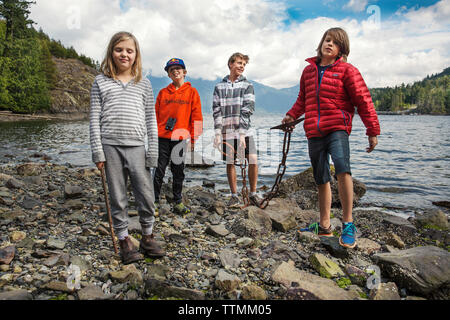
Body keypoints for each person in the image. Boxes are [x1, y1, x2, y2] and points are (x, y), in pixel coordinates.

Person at [282, 27, 380, 249]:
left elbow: (363, 100)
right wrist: (291, 115)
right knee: (321, 177)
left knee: (343, 170)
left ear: (341, 50)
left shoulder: (347, 71)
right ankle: (325, 224)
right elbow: (302, 100)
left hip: (337, 127)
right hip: (313, 130)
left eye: (335, 43)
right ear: (321, 42)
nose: (329, 44)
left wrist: (372, 130)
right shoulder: (308, 71)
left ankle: (347, 224)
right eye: (327, 40)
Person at [89, 31, 165, 264]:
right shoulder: (100, 81)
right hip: (110, 146)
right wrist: (97, 150)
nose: (124, 54)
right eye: (119, 49)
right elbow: (94, 117)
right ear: (111, 52)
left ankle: (147, 235)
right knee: (118, 195)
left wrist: (152, 150)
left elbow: (150, 118)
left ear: (136, 55)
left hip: (137, 147)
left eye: (129, 51)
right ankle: (123, 238)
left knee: (145, 193)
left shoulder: (144, 83)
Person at [153, 58, 203, 215]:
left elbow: (197, 118)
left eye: (178, 68)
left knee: (178, 171)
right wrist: (152, 134)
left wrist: (194, 140)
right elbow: (154, 115)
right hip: (161, 137)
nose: (175, 71)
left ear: (184, 72)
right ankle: (153, 200)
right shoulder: (162, 93)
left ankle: (178, 202)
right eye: (171, 69)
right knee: (159, 169)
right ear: (168, 74)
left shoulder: (192, 92)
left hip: (180, 138)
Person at [213, 52, 261, 207]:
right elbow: (216, 111)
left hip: (245, 131)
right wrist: (218, 133)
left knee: (252, 159)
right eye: (239, 63)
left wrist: (241, 134)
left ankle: (253, 193)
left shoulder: (248, 86)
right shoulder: (219, 87)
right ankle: (234, 195)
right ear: (230, 64)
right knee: (230, 162)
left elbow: (248, 110)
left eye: (244, 64)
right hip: (227, 131)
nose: (242, 66)